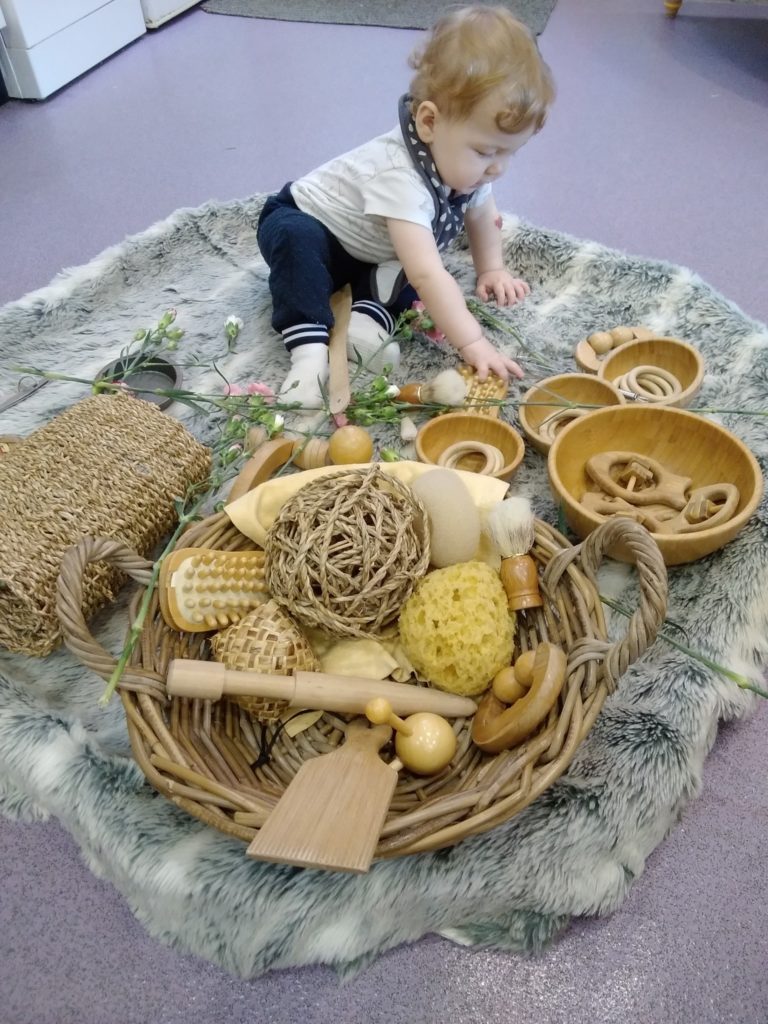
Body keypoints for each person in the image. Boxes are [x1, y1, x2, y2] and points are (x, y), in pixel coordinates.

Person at [257, 4, 556, 409]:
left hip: (370, 248)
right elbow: (428, 274)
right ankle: (309, 354)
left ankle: (366, 320)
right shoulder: (399, 175)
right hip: (309, 224)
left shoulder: (467, 169)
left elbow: (481, 212)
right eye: (486, 151)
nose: (498, 168)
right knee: (311, 250)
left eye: (510, 154)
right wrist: (473, 342)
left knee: (412, 273)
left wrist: (492, 268)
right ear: (429, 122)